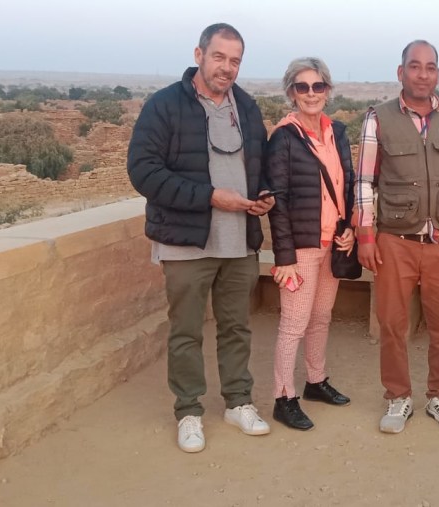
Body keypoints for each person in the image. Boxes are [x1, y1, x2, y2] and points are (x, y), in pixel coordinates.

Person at [127, 23, 274, 453]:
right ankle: (188, 411)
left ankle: (238, 402)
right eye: (219, 57)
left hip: (239, 241)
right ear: (199, 54)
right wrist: (210, 197)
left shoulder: (244, 107)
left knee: (236, 327)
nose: (226, 67)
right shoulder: (165, 106)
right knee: (186, 331)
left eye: (235, 61)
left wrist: (263, 196)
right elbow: (144, 171)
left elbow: (259, 166)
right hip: (186, 242)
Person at [356, 40, 439, 434]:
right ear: (401, 72)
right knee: (392, 324)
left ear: (437, 73)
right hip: (394, 241)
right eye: (415, 66)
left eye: (430, 67)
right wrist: (366, 235)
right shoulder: (379, 118)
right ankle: (398, 398)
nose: (423, 74)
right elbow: (365, 181)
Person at [265, 57, 355, 431]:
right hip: (300, 247)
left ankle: (315, 381)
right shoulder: (284, 138)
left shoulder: (338, 132)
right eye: (302, 87)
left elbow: (346, 184)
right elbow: (277, 200)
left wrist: (348, 227)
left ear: (327, 90)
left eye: (318, 86)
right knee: (294, 323)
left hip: (331, 242)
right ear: (291, 92)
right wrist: (283, 256)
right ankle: (283, 398)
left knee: (320, 318)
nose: (311, 94)